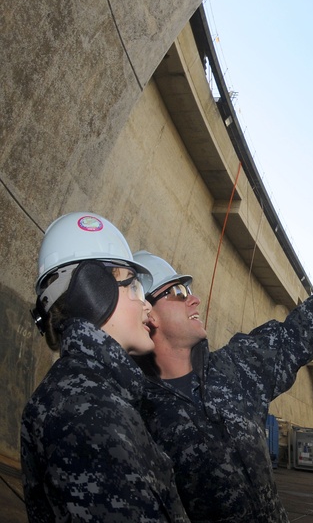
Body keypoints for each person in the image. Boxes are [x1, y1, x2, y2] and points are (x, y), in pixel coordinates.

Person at [133, 241, 313, 522]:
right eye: (178, 292)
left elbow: (305, 326)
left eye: (190, 290)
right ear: (147, 314)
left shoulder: (235, 368)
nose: (193, 298)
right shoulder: (136, 415)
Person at [20, 212, 190, 522]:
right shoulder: (89, 413)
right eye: (134, 288)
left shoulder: (90, 391)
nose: (147, 306)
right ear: (94, 292)